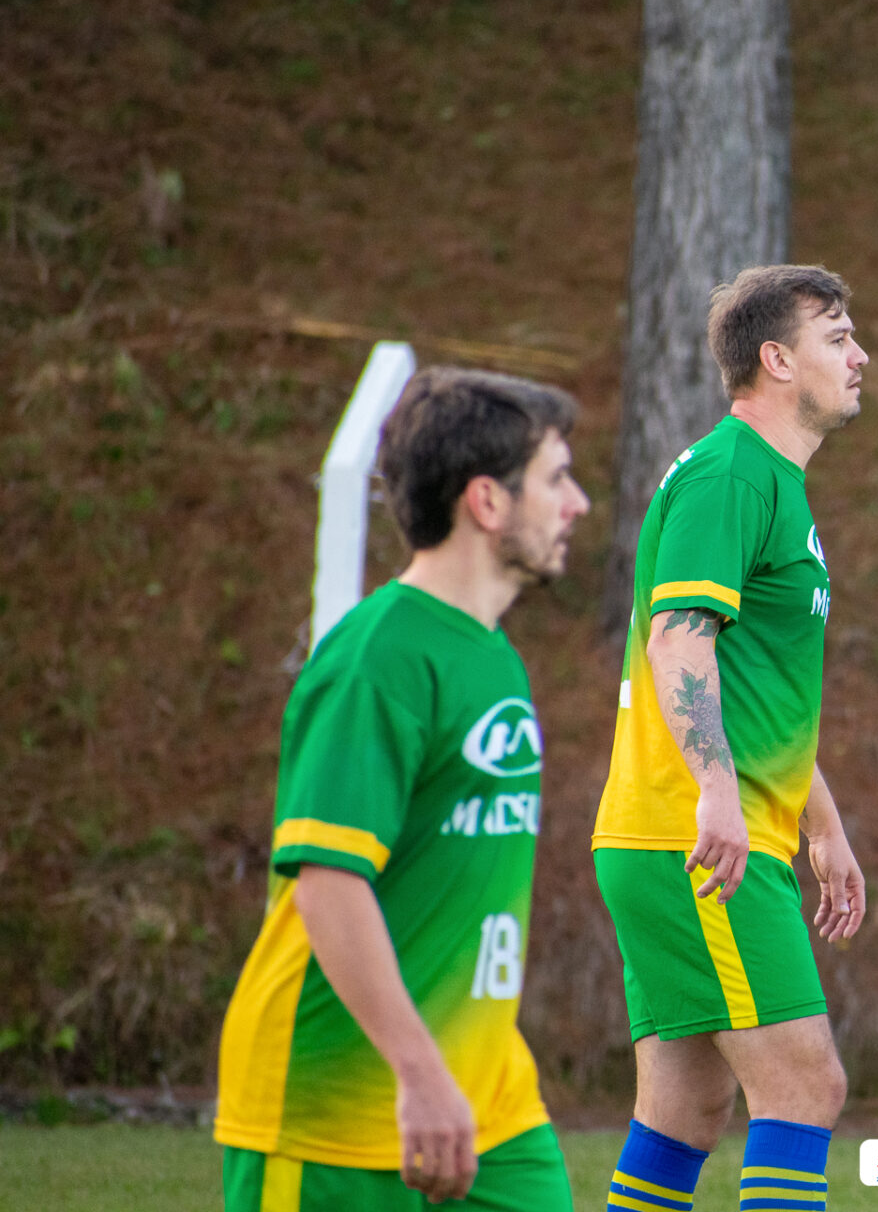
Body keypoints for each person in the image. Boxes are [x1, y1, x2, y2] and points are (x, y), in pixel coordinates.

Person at [214, 367, 590, 1211]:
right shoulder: (375, 659)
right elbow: (330, 885)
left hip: (491, 1105)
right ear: (487, 502)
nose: (579, 505)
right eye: (557, 479)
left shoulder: (494, 657)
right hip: (334, 1114)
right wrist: (418, 1076)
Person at [592, 264, 870, 1212]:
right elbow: (681, 640)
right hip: (700, 839)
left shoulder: (769, 483)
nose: (859, 355)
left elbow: (756, 694)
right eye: (837, 337)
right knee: (805, 1086)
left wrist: (821, 824)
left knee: (684, 1111)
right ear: (777, 359)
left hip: (700, 832)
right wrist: (716, 795)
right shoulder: (731, 475)